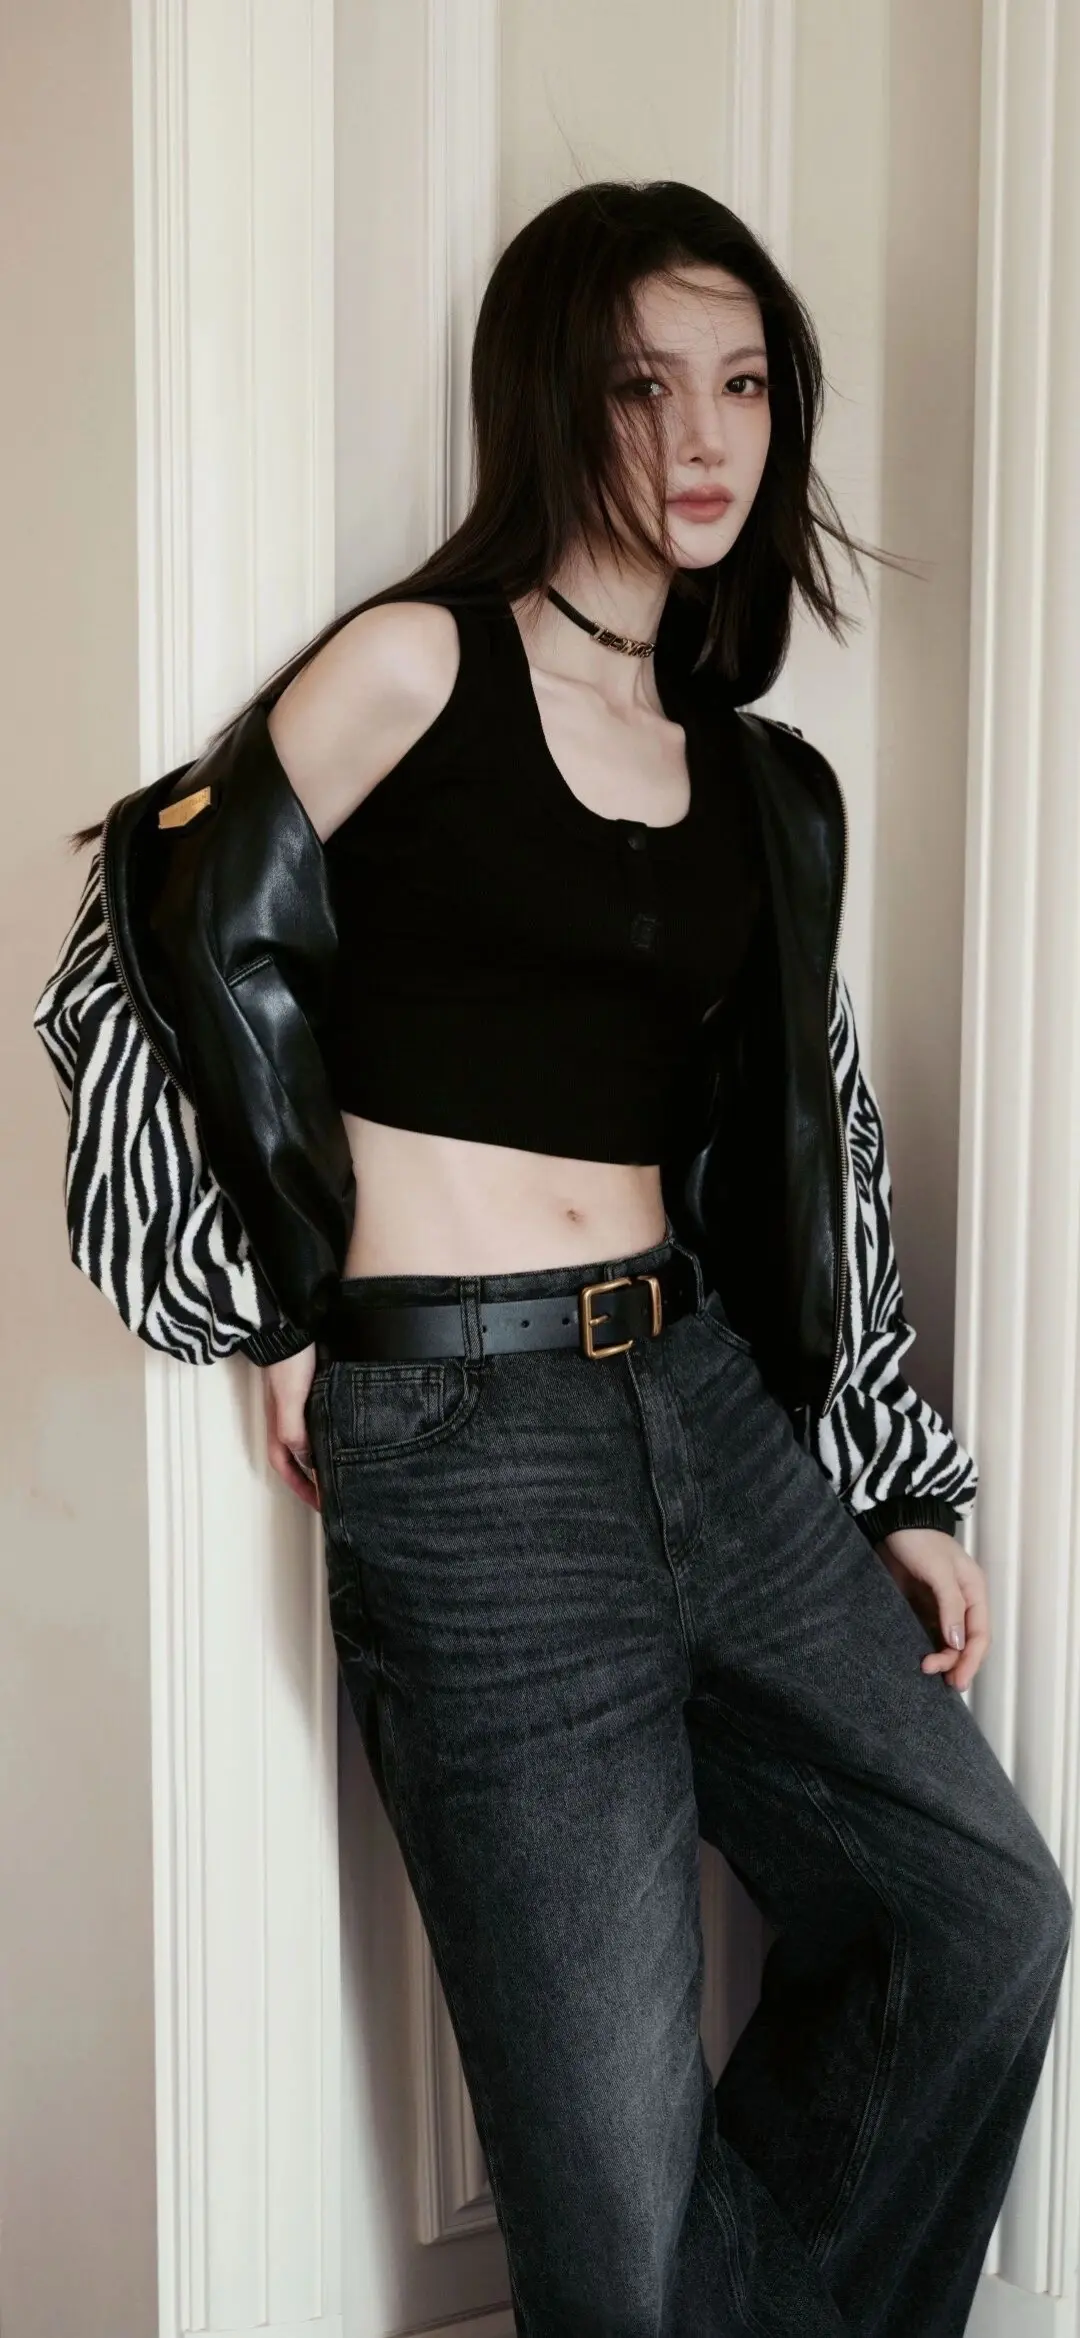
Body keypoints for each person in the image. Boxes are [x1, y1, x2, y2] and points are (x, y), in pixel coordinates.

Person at [53, 181, 1072, 2336]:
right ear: (550, 399)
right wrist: (269, 1293)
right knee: (610, 2203)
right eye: (640, 385)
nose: (702, 435)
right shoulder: (417, 665)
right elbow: (147, 939)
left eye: (743, 383)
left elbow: (818, 1140)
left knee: (981, 1910)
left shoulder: (766, 787)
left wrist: (893, 1478)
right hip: (469, 1440)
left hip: (704, 1400)